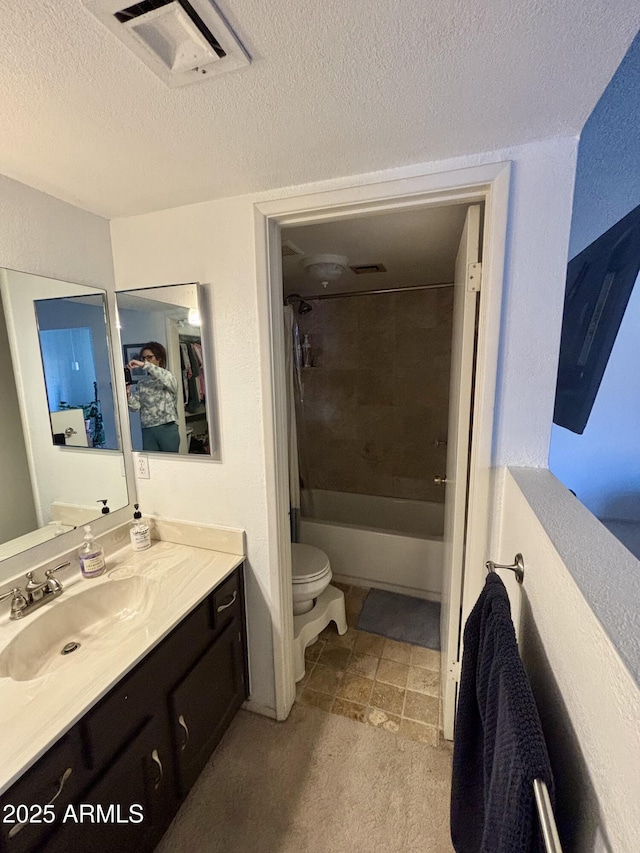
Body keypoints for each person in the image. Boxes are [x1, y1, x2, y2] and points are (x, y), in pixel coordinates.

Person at [126, 342, 180, 453]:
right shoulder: (142, 383)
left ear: (159, 358)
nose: (146, 361)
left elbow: (164, 376)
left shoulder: (167, 378)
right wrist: (128, 394)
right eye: (143, 358)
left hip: (167, 427)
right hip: (148, 429)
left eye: (149, 357)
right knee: (152, 465)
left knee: (171, 464)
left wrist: (142, 364)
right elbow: (135, 407)